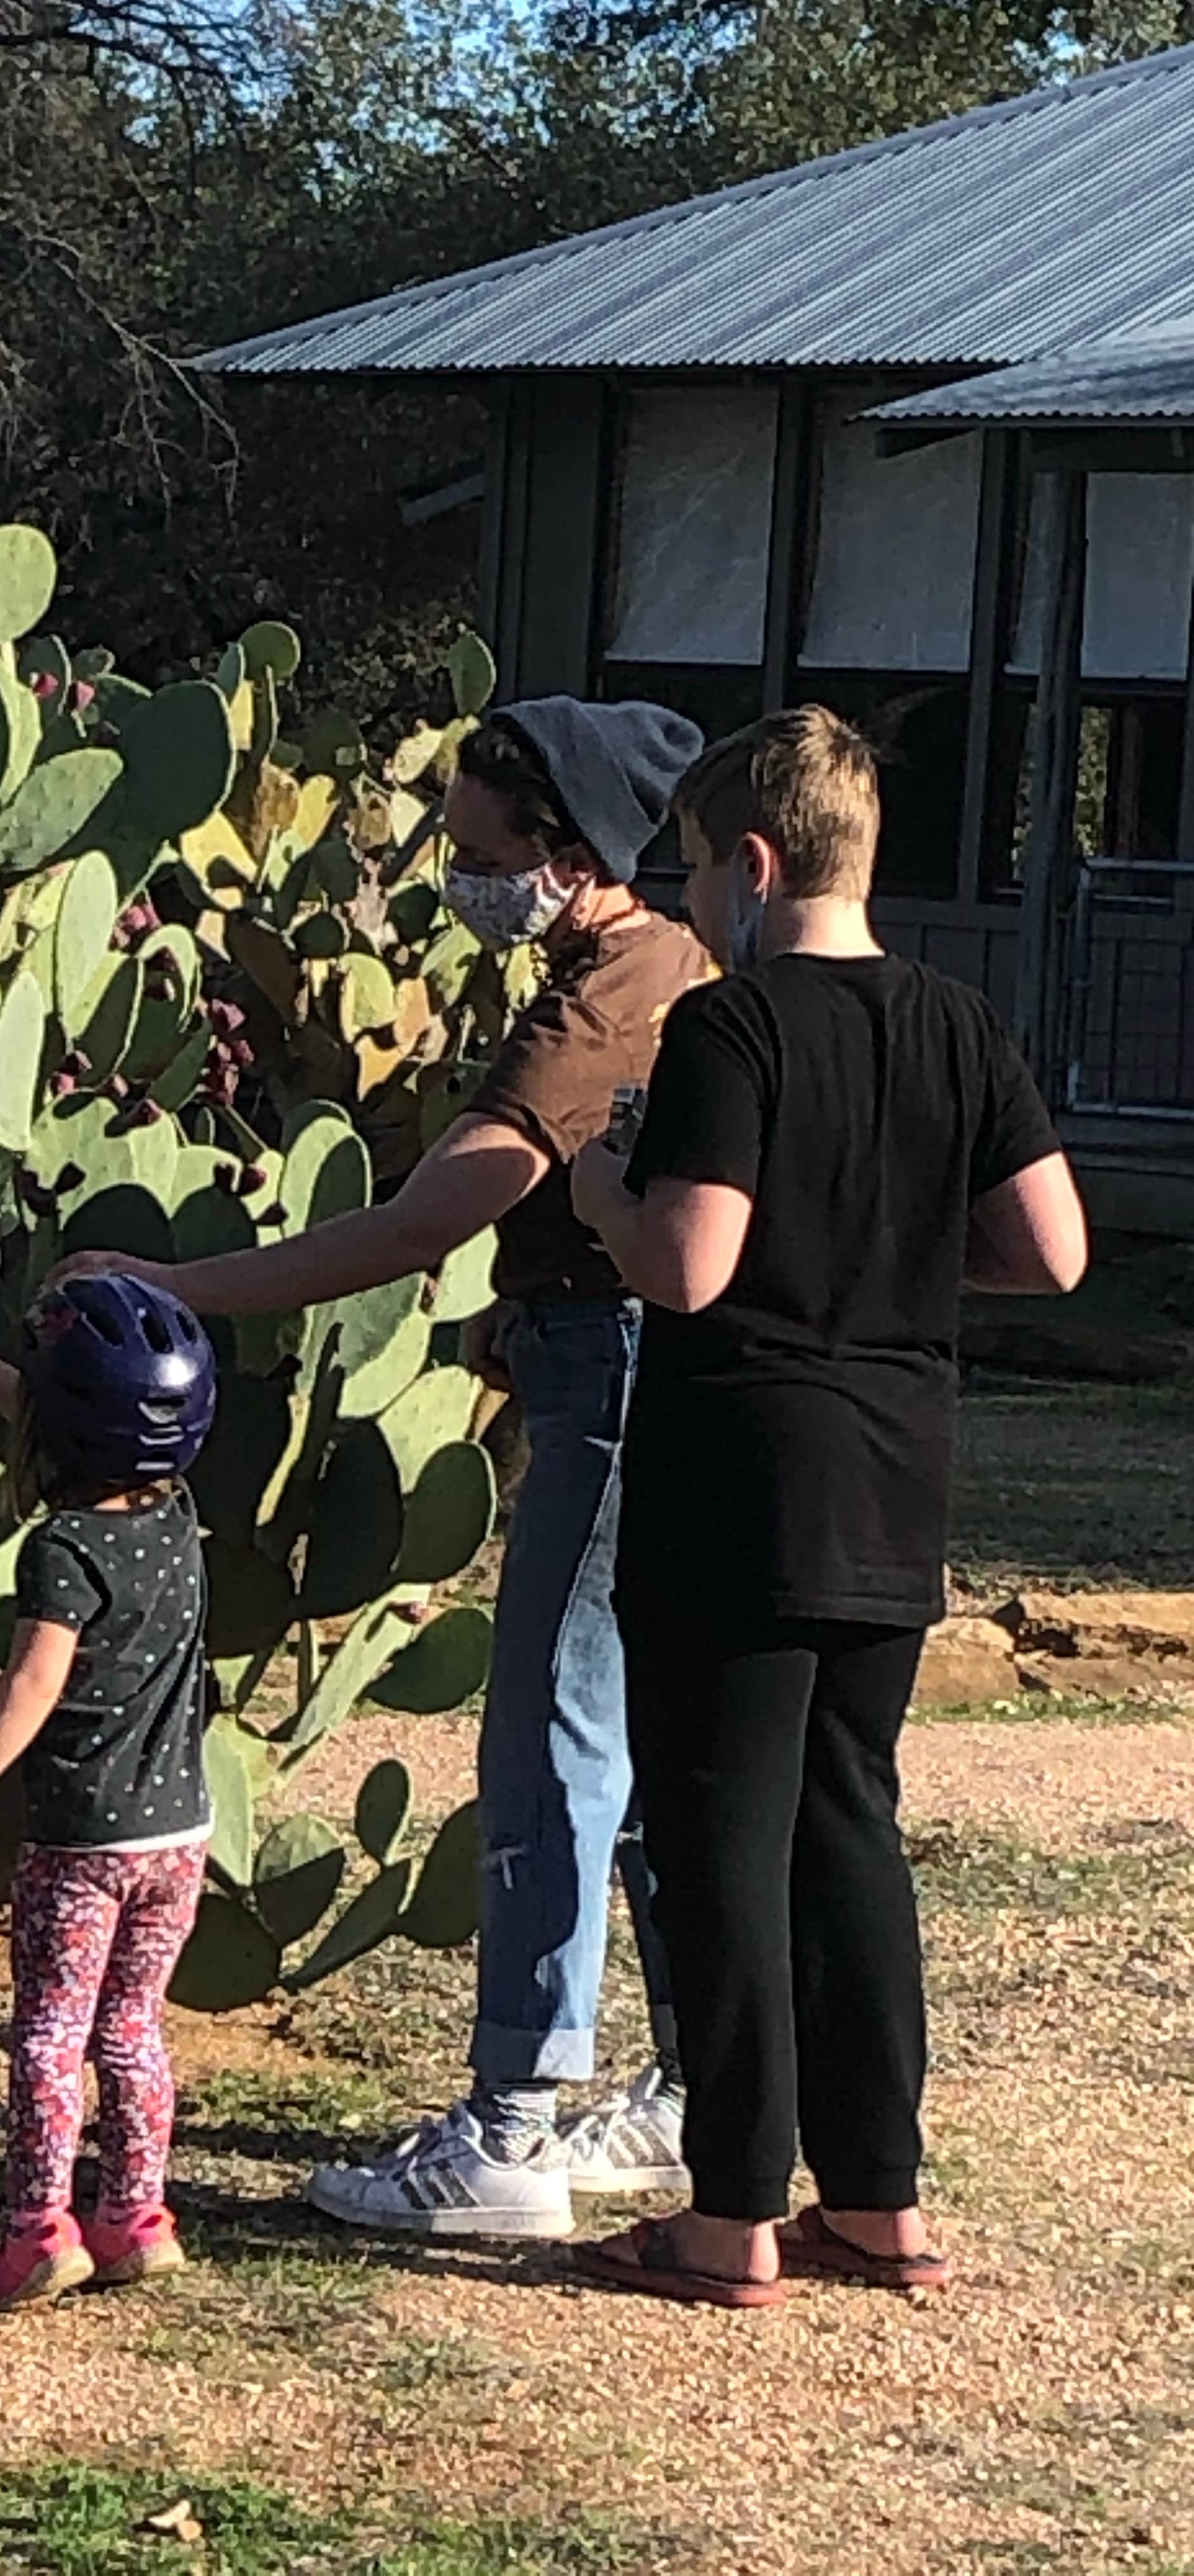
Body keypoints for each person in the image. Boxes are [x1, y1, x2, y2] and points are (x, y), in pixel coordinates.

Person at [58, 696, 713, 2239]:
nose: (461, 880)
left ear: (570, 854)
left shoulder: (598, 1007)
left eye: (484, 854)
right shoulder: (664, 964)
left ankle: (511, 2125)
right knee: (638, 1746)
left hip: (612, 1386)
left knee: (553, 1734)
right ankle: (694, 2092)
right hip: (636, 1369)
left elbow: (424, 1222)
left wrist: (180, 1285)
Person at [568, 705, 1087, 2310]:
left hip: (738, 1480)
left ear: (756, 862)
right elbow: (1054, 1250)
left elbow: (691, 1263)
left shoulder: (732, 1029)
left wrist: (601, 1192)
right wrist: (909, 1252)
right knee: (852, 1823)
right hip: (893, 1476)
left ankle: (728, 2211)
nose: (695, 899)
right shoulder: (958, 1022)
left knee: (722, 1836)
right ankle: (876, 2199)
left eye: (699, 870)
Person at [0, 1276, 218, 2311]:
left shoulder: (64, 1550)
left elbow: (32, 1682)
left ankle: (38, 2228)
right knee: (132, 2028)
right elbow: (69, 1417)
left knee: (50, 2034)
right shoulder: (179, 1515)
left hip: (81, 1844)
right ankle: (136, 2215)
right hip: (179, 1835)